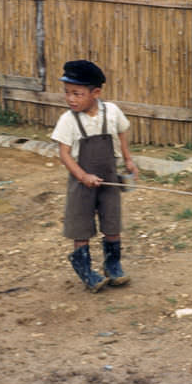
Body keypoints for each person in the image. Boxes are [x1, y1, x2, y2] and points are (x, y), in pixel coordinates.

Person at [51, 60, 139, 292]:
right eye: (67, 93)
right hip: (82, 182)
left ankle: (113, 265)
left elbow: (122, 132)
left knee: (112, 222)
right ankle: (86, 271)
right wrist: (82, 176)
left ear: (96, 92)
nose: (71, 99)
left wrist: (128, 160)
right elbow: (64, 153)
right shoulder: (68, 120)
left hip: (109, 177)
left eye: (77, 93)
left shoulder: (112, 112)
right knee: (81, 226)